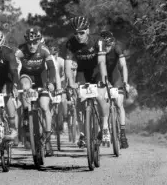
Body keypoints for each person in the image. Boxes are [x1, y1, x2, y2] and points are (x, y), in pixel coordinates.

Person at [64, 16, 109, 148]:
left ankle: (105, 126)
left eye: (81, 32)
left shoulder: (98, 41)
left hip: (97, 71)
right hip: (82, 72)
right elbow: (67, 66)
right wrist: (71, 82)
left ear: (88, 30)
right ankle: (83, 133)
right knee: (79, 101)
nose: (78, 36)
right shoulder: (70, 43)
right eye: (76, 33)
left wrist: (104, 79)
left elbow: (101, 62)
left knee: (100, 97)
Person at [15, 28, 61, 156]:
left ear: (39, 41)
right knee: (25, 89)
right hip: (27, 77)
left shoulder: (44, 49)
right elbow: (15, 69)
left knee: (44, 106)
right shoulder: (21, 51)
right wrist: (14, 83)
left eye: (35, 42)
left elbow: (51, 68)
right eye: (29, 43)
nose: (32, 45)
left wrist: (51, 83)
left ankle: (47, 138)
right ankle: (26, 120)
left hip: (41, 78)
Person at [98, 30, 130, 149]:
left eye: (109, 45)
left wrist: (125, 82)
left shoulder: (117, 48)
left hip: (115, 78)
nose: (107, 48)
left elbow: (123, 66)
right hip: (102, 78)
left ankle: (122, 134)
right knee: (101, 103)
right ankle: (103, 128)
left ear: (112, 43)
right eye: (105, 45)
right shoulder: (98, 50)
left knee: (119, 103)